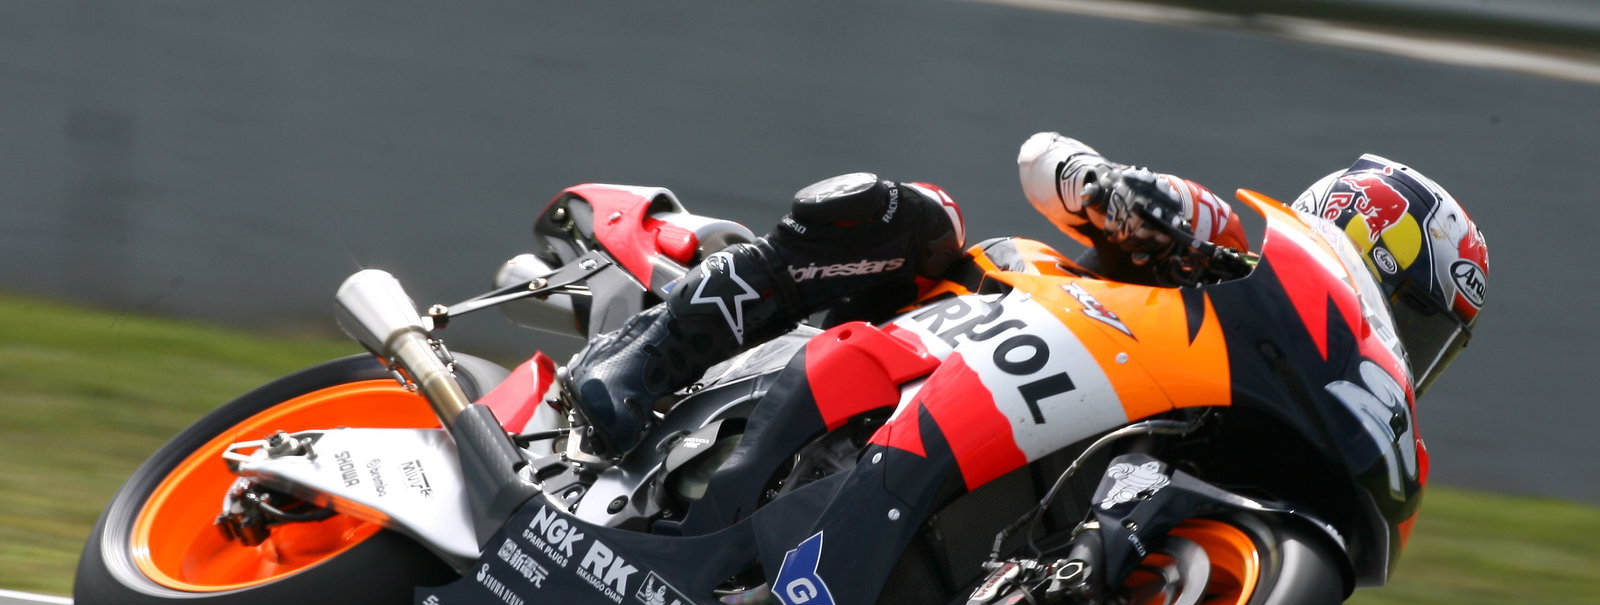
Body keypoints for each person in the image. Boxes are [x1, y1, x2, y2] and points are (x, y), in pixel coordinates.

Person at [562, 133, 1488, 455]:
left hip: (1030, 427)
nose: (1403, 352)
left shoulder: (1273, 399)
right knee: (916, 213)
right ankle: (644, 360)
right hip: (973, 318)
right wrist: (1109, 191)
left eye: (1427, 344)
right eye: (1409, 319)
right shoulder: (1224, 244)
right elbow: (1043, 160)